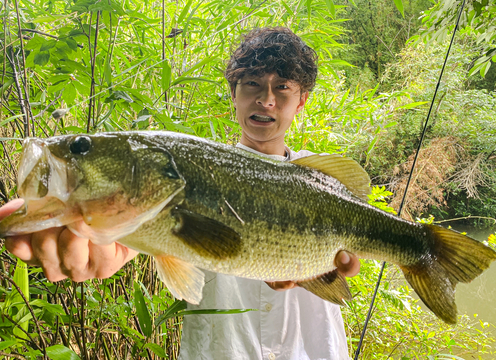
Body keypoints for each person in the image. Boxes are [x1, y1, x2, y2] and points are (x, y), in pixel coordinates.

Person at [0, 27, 360, 360]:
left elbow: (344, 262)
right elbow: (143, 233)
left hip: (313, 349)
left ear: (301, 101)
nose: (266, 99)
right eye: (252, 83)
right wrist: (106, 241)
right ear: (234, 95)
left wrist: (326, 267)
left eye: (282, 87)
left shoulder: (323, 181)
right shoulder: (181, 174)